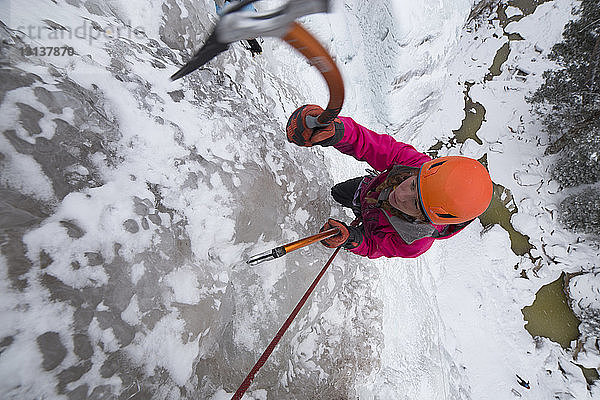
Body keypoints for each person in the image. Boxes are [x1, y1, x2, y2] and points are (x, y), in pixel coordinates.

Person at [286, 104, 494, 259]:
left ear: (425, 219)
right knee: (336, 193)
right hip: (366, 192)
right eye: (412, 184)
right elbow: (371, 144)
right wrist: (338, 132)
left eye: (415, 204)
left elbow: (374, 245)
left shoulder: (414, 243)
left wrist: (353, 238)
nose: (400, 194)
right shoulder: (416, 164)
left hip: (371, 214)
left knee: (341, 198)